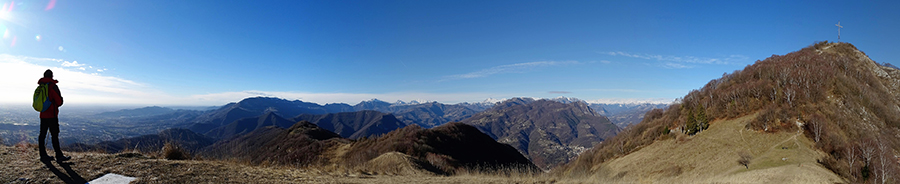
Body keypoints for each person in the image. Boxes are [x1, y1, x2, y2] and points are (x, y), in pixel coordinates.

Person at [38, 69, 70, 162]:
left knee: (42, 135)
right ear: (52, 76)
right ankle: (59, 156)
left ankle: (43, 155)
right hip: (52, 115)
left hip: (43, 115)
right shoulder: (53, 87)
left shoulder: (41, 86)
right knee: (54, 135)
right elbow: (59, 102)